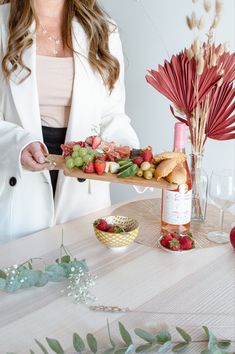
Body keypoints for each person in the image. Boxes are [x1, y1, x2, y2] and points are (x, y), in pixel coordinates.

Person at [0, 0, 139, 242]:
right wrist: (17, 144)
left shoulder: (104, 28)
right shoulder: (2, 24)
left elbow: (112, 115)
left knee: (80, 270)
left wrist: (130, 155)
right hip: (18, 178)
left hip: (85, 191)